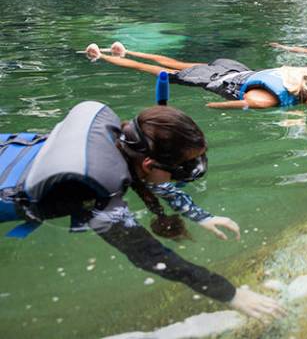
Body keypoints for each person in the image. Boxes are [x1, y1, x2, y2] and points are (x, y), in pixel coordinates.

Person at [0, 101, 285, 324]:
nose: (185, 176)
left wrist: (201, 216)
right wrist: (230, 294)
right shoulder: (98, 190)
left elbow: (151, 183)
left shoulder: (117, 139)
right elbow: (149, 256)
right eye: (182, 169)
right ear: (149, 163)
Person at [83, 42, 307, 113]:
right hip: (217, 81)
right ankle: (102, 55)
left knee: (177, 63)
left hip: (234, 68)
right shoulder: (267, 100)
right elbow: (216, 106)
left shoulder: (305, 74)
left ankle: (126, 50)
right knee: (162, 72)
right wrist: (216, 105)